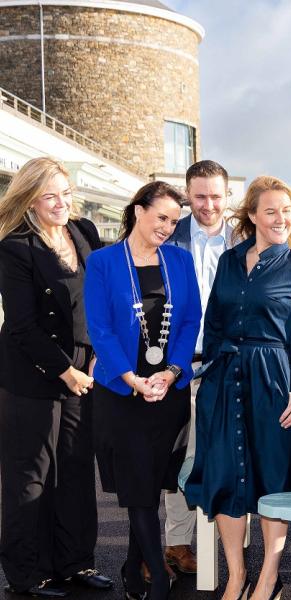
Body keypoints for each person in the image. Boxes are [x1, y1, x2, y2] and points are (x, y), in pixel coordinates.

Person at [184, 175, 291, 600]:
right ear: (252, 215)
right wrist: (210, 372)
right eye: (270, 211)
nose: (280, 218)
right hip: (224, 379)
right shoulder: (230, 262)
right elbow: (213, 324)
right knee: (225, 477)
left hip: (273, 382)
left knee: (272, 479)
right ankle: (236, 575)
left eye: (286, 211)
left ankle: (269, 575)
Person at [0, 157, 112, 598]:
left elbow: (101, 300)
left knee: (76, 467)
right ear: (29, 199)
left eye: (66, 193)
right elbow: (23, 325)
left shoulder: (83, 231)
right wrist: (65, 371)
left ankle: (76, 563)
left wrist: (99, 358)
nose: (62, 203)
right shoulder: (14, 246)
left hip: (84, 369)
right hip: (33, 373)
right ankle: (29, 573)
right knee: (32, 473)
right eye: (51, 196)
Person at [85, 181, 201, 600]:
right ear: (138, 211)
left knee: (151, 485)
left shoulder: (180, 261)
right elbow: (98, 328)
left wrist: (172, 372)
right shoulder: (102, 263)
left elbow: (190, 322)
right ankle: (159, 578)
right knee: (137, 484)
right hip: (122, 394)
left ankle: (133, 571)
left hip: (167, 393)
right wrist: (130, 379)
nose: (168, 227)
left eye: (174, 220)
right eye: (161, 217)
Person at [161, 160, 236, 576]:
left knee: (233, 453)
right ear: (188, 194)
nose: (209, 204)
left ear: (228, 196)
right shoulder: (169, 234)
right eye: (200, 195)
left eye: (216, 196)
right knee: (180, 454)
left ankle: (234, 547)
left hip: (232, 361)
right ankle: (177, 543)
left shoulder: (248, 236)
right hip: (181, 361)